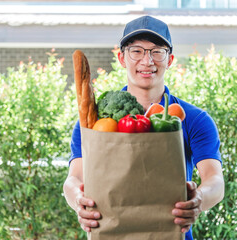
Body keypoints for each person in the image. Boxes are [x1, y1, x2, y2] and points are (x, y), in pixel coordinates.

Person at [63, 15, 225, 240]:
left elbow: (215, 181)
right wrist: (78, 202)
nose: (147, 61)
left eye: (157, 51)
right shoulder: (94, 121)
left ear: (169, 60)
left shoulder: (194, 119)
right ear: (121, 58)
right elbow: (74, 178)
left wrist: (198, 199)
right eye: (136, 51)